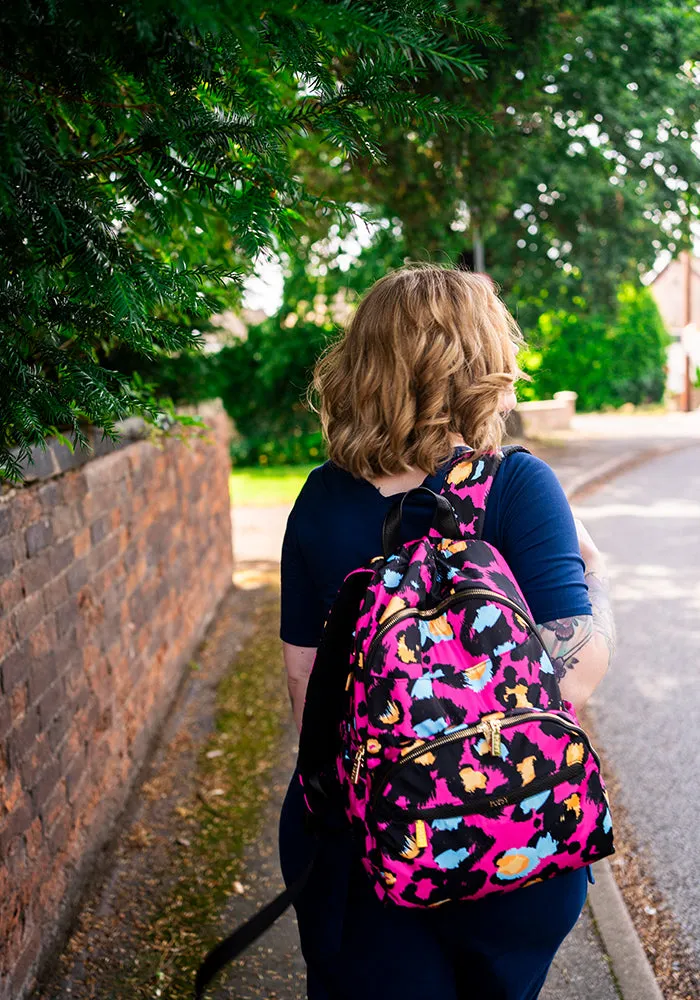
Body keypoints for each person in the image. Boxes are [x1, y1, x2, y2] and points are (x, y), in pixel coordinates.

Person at [278, 263, 616, 1000]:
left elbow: (306, 688)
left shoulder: (319, 500)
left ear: (361, 364)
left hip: (367, 847)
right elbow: (574, 674)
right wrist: (599, 573)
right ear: (484, 366)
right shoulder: (518, 486)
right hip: (508, 834)